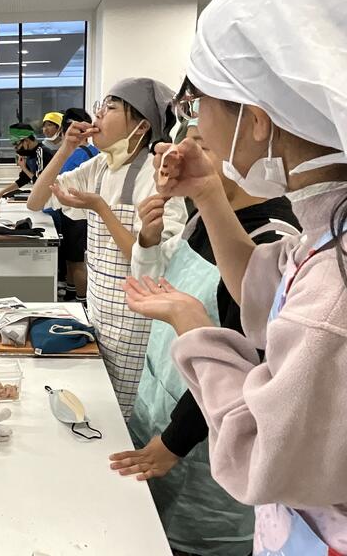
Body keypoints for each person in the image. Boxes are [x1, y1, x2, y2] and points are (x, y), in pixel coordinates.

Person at [121, 0, 347, 553]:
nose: (193, 124)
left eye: (199, 104)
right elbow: (268, 294)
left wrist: (194, 326)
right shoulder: (343, 226)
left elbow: (267, 460)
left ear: (257, 121)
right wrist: (209, 195)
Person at [111, 113, 299, 556]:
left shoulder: (271, 240)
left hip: (202, 441)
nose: (181, 157)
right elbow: (156, 288)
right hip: (157, 409)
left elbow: (246, 370)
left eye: (202, 145)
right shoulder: (205, 219)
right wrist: (148, 240)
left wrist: (173, 442)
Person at [27, 78, 186, 419]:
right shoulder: (100, 166)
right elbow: (36, 200)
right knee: (100, 410)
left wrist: (100, 208)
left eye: (111, 108)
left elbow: (151, 268)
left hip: (136, 327)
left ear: (142, 125)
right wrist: (65, 150)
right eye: (100, 106)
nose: (98, 114)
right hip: (99, 313)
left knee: (125, 418)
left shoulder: (157, 176)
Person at [57, 107, 99, 304]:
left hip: (77, 215)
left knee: (77, 261)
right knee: (73, 259)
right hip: (85, 214)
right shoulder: (96, 153)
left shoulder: (75, 155)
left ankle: (81, 303)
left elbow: (59, 183)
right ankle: (71, 292)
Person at [0, 123, 55, 203]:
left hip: (51, 198)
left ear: (26, 140)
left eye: (16, 144)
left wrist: (24, 168)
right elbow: (23, 180)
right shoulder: (30, 154)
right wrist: (1, 192)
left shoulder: (41, 152)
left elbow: (39, 182)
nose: (16, 148)